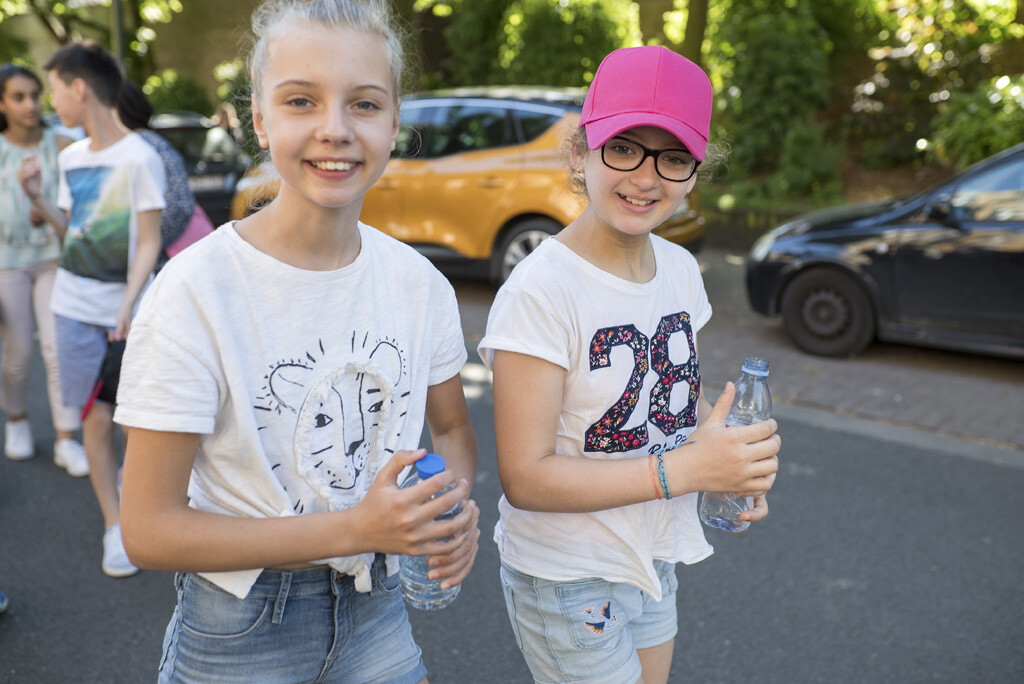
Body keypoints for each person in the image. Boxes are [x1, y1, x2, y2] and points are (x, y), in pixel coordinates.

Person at [113, 1, 480, 682]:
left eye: (364, 104)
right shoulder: (195, 290)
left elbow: (454, 429)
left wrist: (446, 508)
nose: (334, 129)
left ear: (394, 122)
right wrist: (357, 529)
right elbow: (148, 528)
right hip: (239, 625)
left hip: (377, 606)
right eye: (301, 100)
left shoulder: (419, 284)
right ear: (260, 119)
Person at [477, 46, 782, 684]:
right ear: (580, 152)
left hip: (651, 552)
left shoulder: (679, 268)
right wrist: (686, 470)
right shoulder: (542, 290)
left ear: (694, 172)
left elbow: (678, 404)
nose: (646, 177)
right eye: (623, 148)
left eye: (673, 157)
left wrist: (725, 462)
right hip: (567, 573)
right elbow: (526, 477)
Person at [18, 41, 166, 578]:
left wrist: (129, 303)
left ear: (79, 89)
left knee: (135, 421)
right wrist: (37, 196)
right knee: (95, 419)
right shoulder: (70, 158)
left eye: (55, 89)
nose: (51, 101)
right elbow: (71, 233)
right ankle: (114, 526)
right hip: (72, 308)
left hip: (127, 315)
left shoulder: (141, 157)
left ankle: (142, 501)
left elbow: (149, 242)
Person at [0, 63, 86, 474]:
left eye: (35, 95)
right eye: (18, 97)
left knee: (56, 348)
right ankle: (17, 421)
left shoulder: (63, 145)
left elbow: (76, 215)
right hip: (6, 266)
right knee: (18, 353)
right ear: (2, 103)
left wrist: (46, 211)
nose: (31, 104)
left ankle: (66, 439)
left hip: (52, 260)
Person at [115, 80, 195, 272]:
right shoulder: (152, 142)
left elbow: (179, 205)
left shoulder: (140, 145)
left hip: (158, 266)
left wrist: (144, 243)